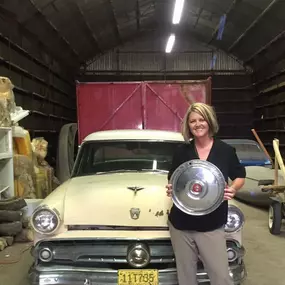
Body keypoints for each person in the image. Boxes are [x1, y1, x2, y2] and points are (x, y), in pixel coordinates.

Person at [166, 102, 246, 285]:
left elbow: (240, 175)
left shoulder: (225, 151)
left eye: (201, 119)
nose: (197, 124)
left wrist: (233, 188)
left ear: (209, 121)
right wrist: (172, 188)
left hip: (211, 224)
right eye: (192, 121)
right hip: (181, 224)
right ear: (188, 125)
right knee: (186, 277)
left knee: (221, 277)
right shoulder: (181, 151)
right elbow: (173, 178)